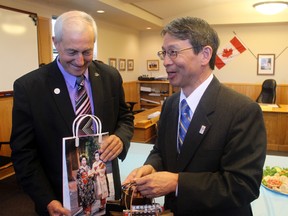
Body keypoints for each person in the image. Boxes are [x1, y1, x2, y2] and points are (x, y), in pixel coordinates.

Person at [124, 17, 267, 216]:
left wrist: (177, 183)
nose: (165, 61)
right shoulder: (170, 105)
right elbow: (161, 151)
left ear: (205, 54)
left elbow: (243, 185)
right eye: (164, 53)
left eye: (173, 52)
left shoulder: (242, 111)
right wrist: (151, 166)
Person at [10, 10, 134, 216]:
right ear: (55, 43)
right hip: (58, 201)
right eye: (72, 52)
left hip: (107, 193)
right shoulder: (30, 87)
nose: (80, 61)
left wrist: (121, 138)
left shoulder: (110, 77)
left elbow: (125, 118)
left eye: (87, 52)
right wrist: (46, 199)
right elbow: (24, 152)